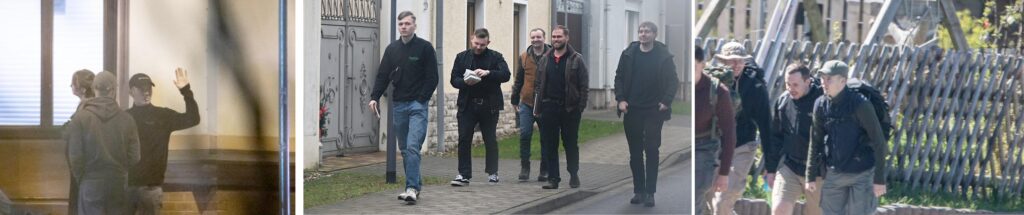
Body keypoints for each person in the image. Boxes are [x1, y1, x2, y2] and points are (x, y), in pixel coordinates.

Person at [367, 11, 438, 204]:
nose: (404, 27)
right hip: (398, 104)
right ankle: (416, 184)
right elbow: (382, 75)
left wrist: (422, 99)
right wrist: (374, 97)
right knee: (405, 149)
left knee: (413, 146)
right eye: (401, 24)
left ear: (414, 26)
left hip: (417, 105)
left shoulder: (425, 48)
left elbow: (433, 77)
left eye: (407, 24)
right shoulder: (392, 50)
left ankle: (411, 188)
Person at [806, 60, 888, 214]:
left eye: (828, 78)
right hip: (835, 172)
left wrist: (879, 179)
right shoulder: (820, 104)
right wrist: (809, 175)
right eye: (822, 78)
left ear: (843, 81)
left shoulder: (861, 105)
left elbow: (879, 142)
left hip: (862, 173)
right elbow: (815, 140)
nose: (823, 82)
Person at [613, 21, 679, 207]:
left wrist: (665, 101)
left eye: (647, 31)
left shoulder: (663, 56)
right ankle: (638, 190)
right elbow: (618, 77)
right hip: (632, 109)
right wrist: (620, 99)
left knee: (651, 149)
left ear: (654, 35)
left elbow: (673, 81)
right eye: (641, 31)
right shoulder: (628, 54)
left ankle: (650, 192)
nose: (643, 34)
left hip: (654, 110)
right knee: (635, 153)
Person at [126, 68, 200, 214]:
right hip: (126, 186)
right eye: (141, 89)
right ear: (131, 91)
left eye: (148, 88)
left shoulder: (162, 116)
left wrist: (186, 91)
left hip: (151, 186)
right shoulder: (123, 117)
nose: (146, 92)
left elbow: (193, 118)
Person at [711, 42, 773, 215]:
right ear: (722, 61)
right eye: (732, 61)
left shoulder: (755, 86)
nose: (737, 65)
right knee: (709, 201)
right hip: (715, 147)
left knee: (722, 203)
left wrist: (770, 163)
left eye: (741, 61)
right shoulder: (711, 83)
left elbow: (766, 124)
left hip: (742, 147)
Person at [66, 71, 140, 215]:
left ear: (94, 89)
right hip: (118, 181)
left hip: (90, 181)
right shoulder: (127, 119)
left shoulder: (81, 118)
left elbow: (75, 157)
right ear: (113, 90)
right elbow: (135, 157)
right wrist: (121, 171)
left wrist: (83, 179)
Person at [449, 28, 511, 186]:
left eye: (482, 45)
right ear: (471, 39)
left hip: (489, 105)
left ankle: (492, 172)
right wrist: (465, 82)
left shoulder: (496, 57)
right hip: (467, 105)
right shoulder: (461, 57)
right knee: (464, 139)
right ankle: (464, 174)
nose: (478, 47)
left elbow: (506, 75)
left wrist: (488, 73)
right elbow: (453, 79)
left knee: (489, 139)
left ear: (488, 43)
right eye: (476, 43)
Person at [764, 63, 823, 215]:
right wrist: (771, 170)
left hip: (819, 173)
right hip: (790, 167)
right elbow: (775, 139)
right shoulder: (783, 102)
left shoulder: (823, 102)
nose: (791, 88)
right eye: (787, 84)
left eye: (795, 84)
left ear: (808, 82)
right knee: (779, 210)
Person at [533, 25, 588, 190]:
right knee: (550, 144)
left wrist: (580, 107)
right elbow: (538, 84)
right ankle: (553, 178)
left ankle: (573, 173)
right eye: (554, 37)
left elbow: (584, 86)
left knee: (570, 143)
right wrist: (538, 107)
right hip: (549, 106)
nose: (556, 40)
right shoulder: (545, 59)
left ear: (567, 38)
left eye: (559, 37)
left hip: (570, 108)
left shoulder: (576, 59)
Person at [694, 45, 736, 215]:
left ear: (702, 64)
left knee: (693, 197)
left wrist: (724, 173)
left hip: (705, 149)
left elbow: (729, 134)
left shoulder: (718, 92)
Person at [511, 28, 552, 182]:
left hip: (546, 103)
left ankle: (544, 170)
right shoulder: (524, 57)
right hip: (527, 103)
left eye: (539, 37)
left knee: (546, 137)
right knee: (525, 134)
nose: (536, 40)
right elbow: (518, 80)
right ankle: (525, 168)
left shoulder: (552, 55)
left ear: (544, 38)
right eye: (533, 37)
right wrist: (515, 100)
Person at [64, 69, 95, 215]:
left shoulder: (86, 108)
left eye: (73, 84)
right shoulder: (88, 106)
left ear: (82, 89)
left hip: (83, 168)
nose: (71, 86)